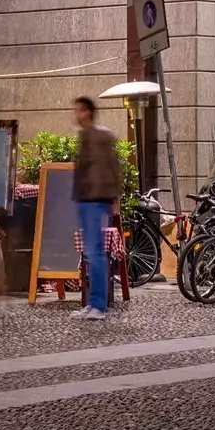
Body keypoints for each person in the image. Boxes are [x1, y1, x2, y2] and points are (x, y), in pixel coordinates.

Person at [72, 96, 121, 322]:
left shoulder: (100, 136)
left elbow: (111, 168)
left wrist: (113, 199)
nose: (76, 114)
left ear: (88, 112)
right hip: (86, 199)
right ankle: (93, 302)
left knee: (95, 253)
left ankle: (99, 305)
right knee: (92, 254)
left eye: (79, 110)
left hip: (94, 199)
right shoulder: (86, 136)